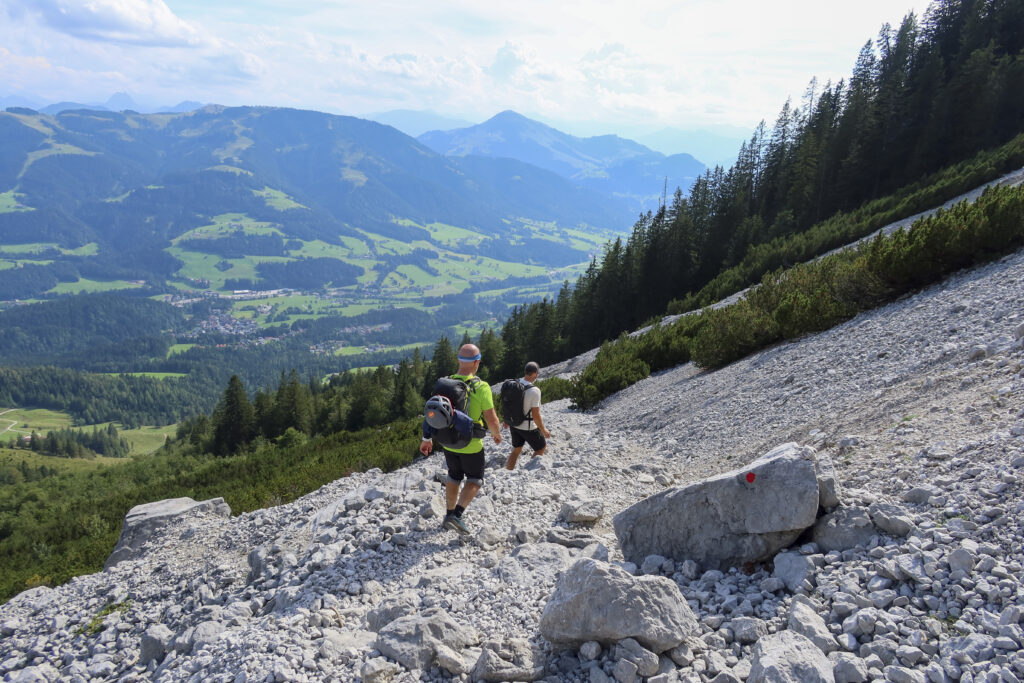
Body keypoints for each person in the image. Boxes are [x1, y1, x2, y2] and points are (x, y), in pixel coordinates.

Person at [419, 343, 502, 533]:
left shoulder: (445, 384)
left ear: (458, 360)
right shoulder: (481, 387)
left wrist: (426, 438)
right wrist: (496, 434)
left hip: (447, 442)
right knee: (475, 479)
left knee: (454, 475)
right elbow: (491, 418)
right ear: (477, 363)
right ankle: (456, 515)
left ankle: (448, 513)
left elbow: (432, 413)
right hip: (471, 444)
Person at [504, 361, 551, 470]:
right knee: (541, 448)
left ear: (525, 372)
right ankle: (527, 472)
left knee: (516, 450)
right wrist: (543, 430)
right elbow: (536, 414)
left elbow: (508, 404)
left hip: (514, 424)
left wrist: (507, 420)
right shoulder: (535, 391)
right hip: (528, 427)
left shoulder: (514, 384)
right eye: (537, 373)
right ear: (535, 373)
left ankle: (508, 472)